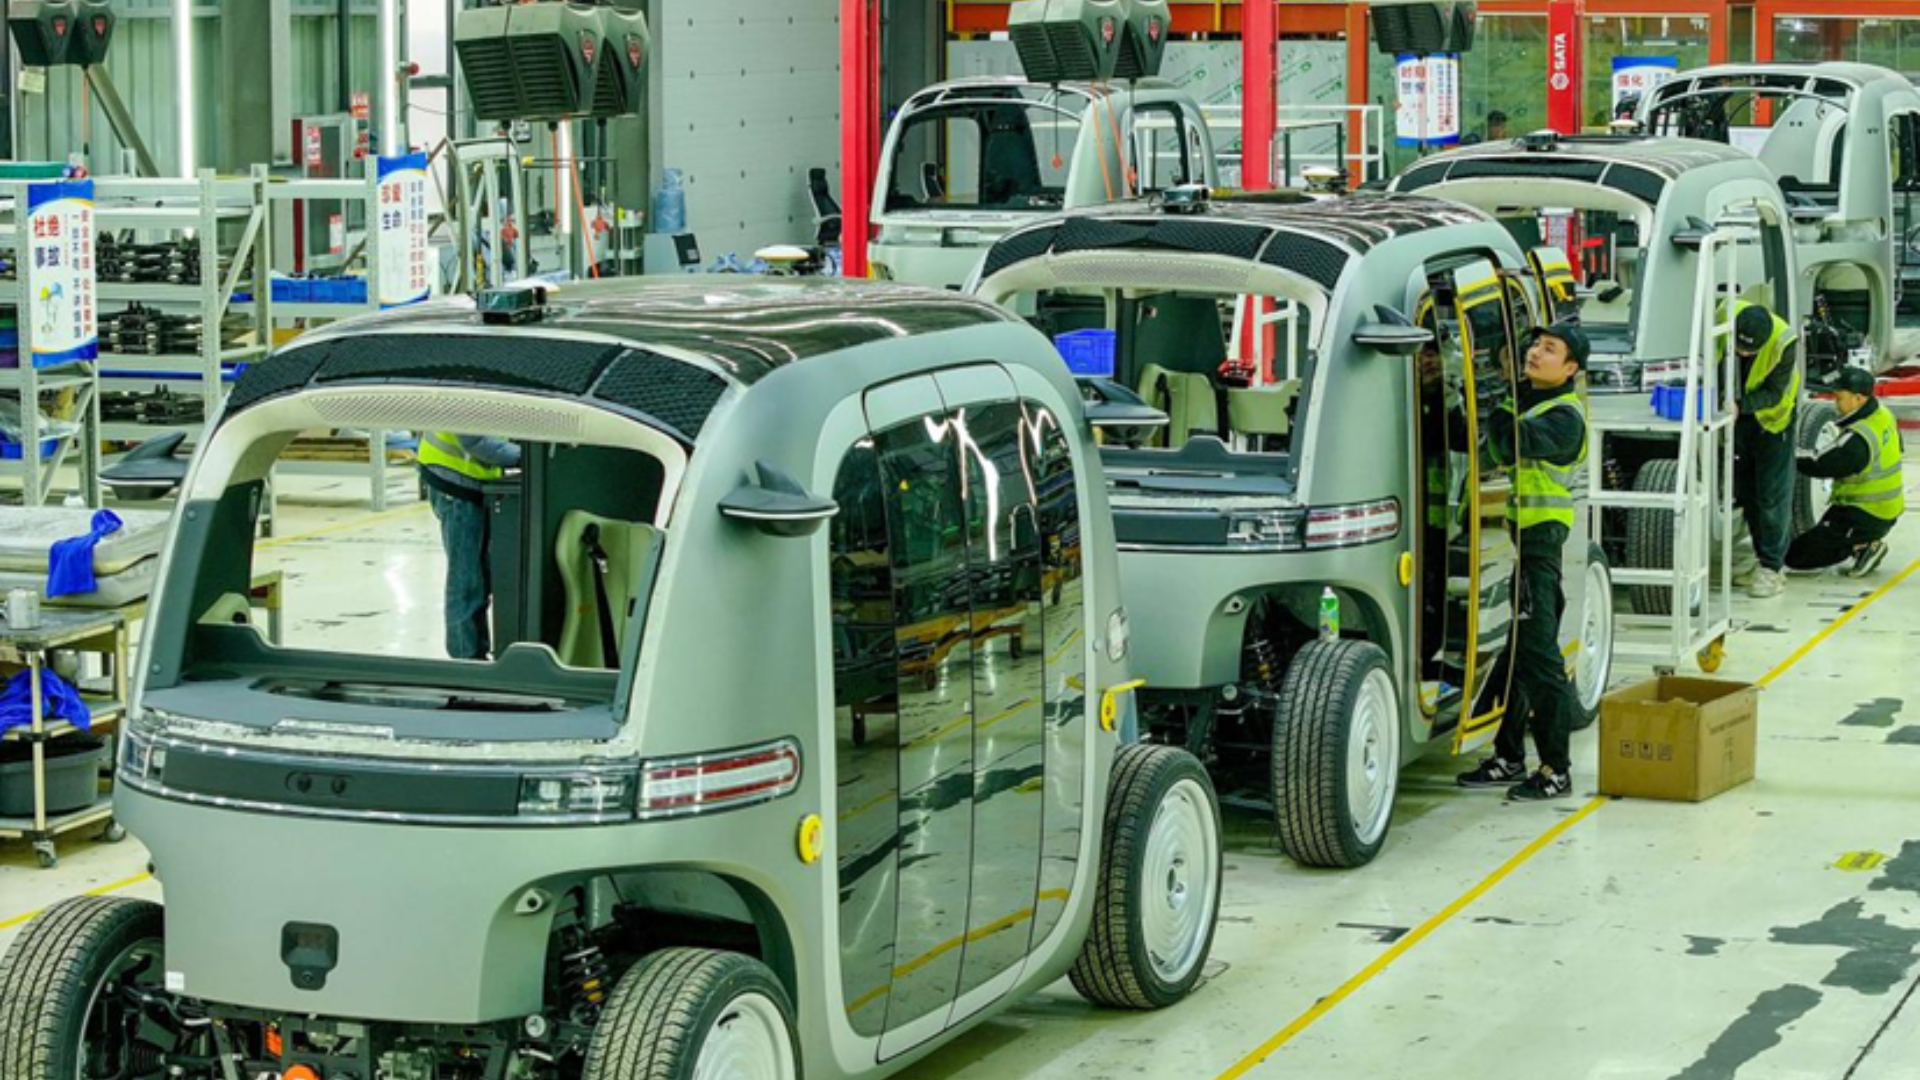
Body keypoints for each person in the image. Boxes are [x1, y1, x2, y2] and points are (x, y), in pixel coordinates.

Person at [1457, 322, 1589, 802]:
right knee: (1518, 657)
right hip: (1520, 544)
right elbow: (1473, 435)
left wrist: (1495, 390)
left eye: (1548, 349)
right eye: (1534, 345)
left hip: (1539, 547)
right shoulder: (1528, 400)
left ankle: (1556, 769)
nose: (1535, 352)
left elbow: (1508, 440)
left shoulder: (1563, 417)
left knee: (1540, 660)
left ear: (1570, 367)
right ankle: (1510, 756)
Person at [1787, 367, 1905, 576]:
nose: (1835, 403)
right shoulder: (1883, 414)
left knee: (1796, 556)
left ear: (1859, 398)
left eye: (1840, 398)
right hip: (1885, 509)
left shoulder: (1858, 439)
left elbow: (1820, 463)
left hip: (1863, 514)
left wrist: (1783, 454)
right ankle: (1864, 540)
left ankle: (1862, 546)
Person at [418, 432, 522, 660]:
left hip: (471, 480)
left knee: (479, 576)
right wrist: (525, 456)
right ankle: (465, 659)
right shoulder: (465, 396)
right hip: (454, 483)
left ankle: (476, 653)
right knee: (466, 580)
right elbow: (475, 442)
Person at [1726, 302, 1801, 599]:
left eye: (1749, 352)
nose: (1743, 355)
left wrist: (1739, 404)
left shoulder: (1784, 343)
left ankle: (1772, 569)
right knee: (1746, 491)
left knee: (1772, 496)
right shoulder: (1724, 316)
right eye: (1739, 348)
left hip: (1773, 423)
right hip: (1739, 421)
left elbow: (1773, 392)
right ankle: (1761, 559)